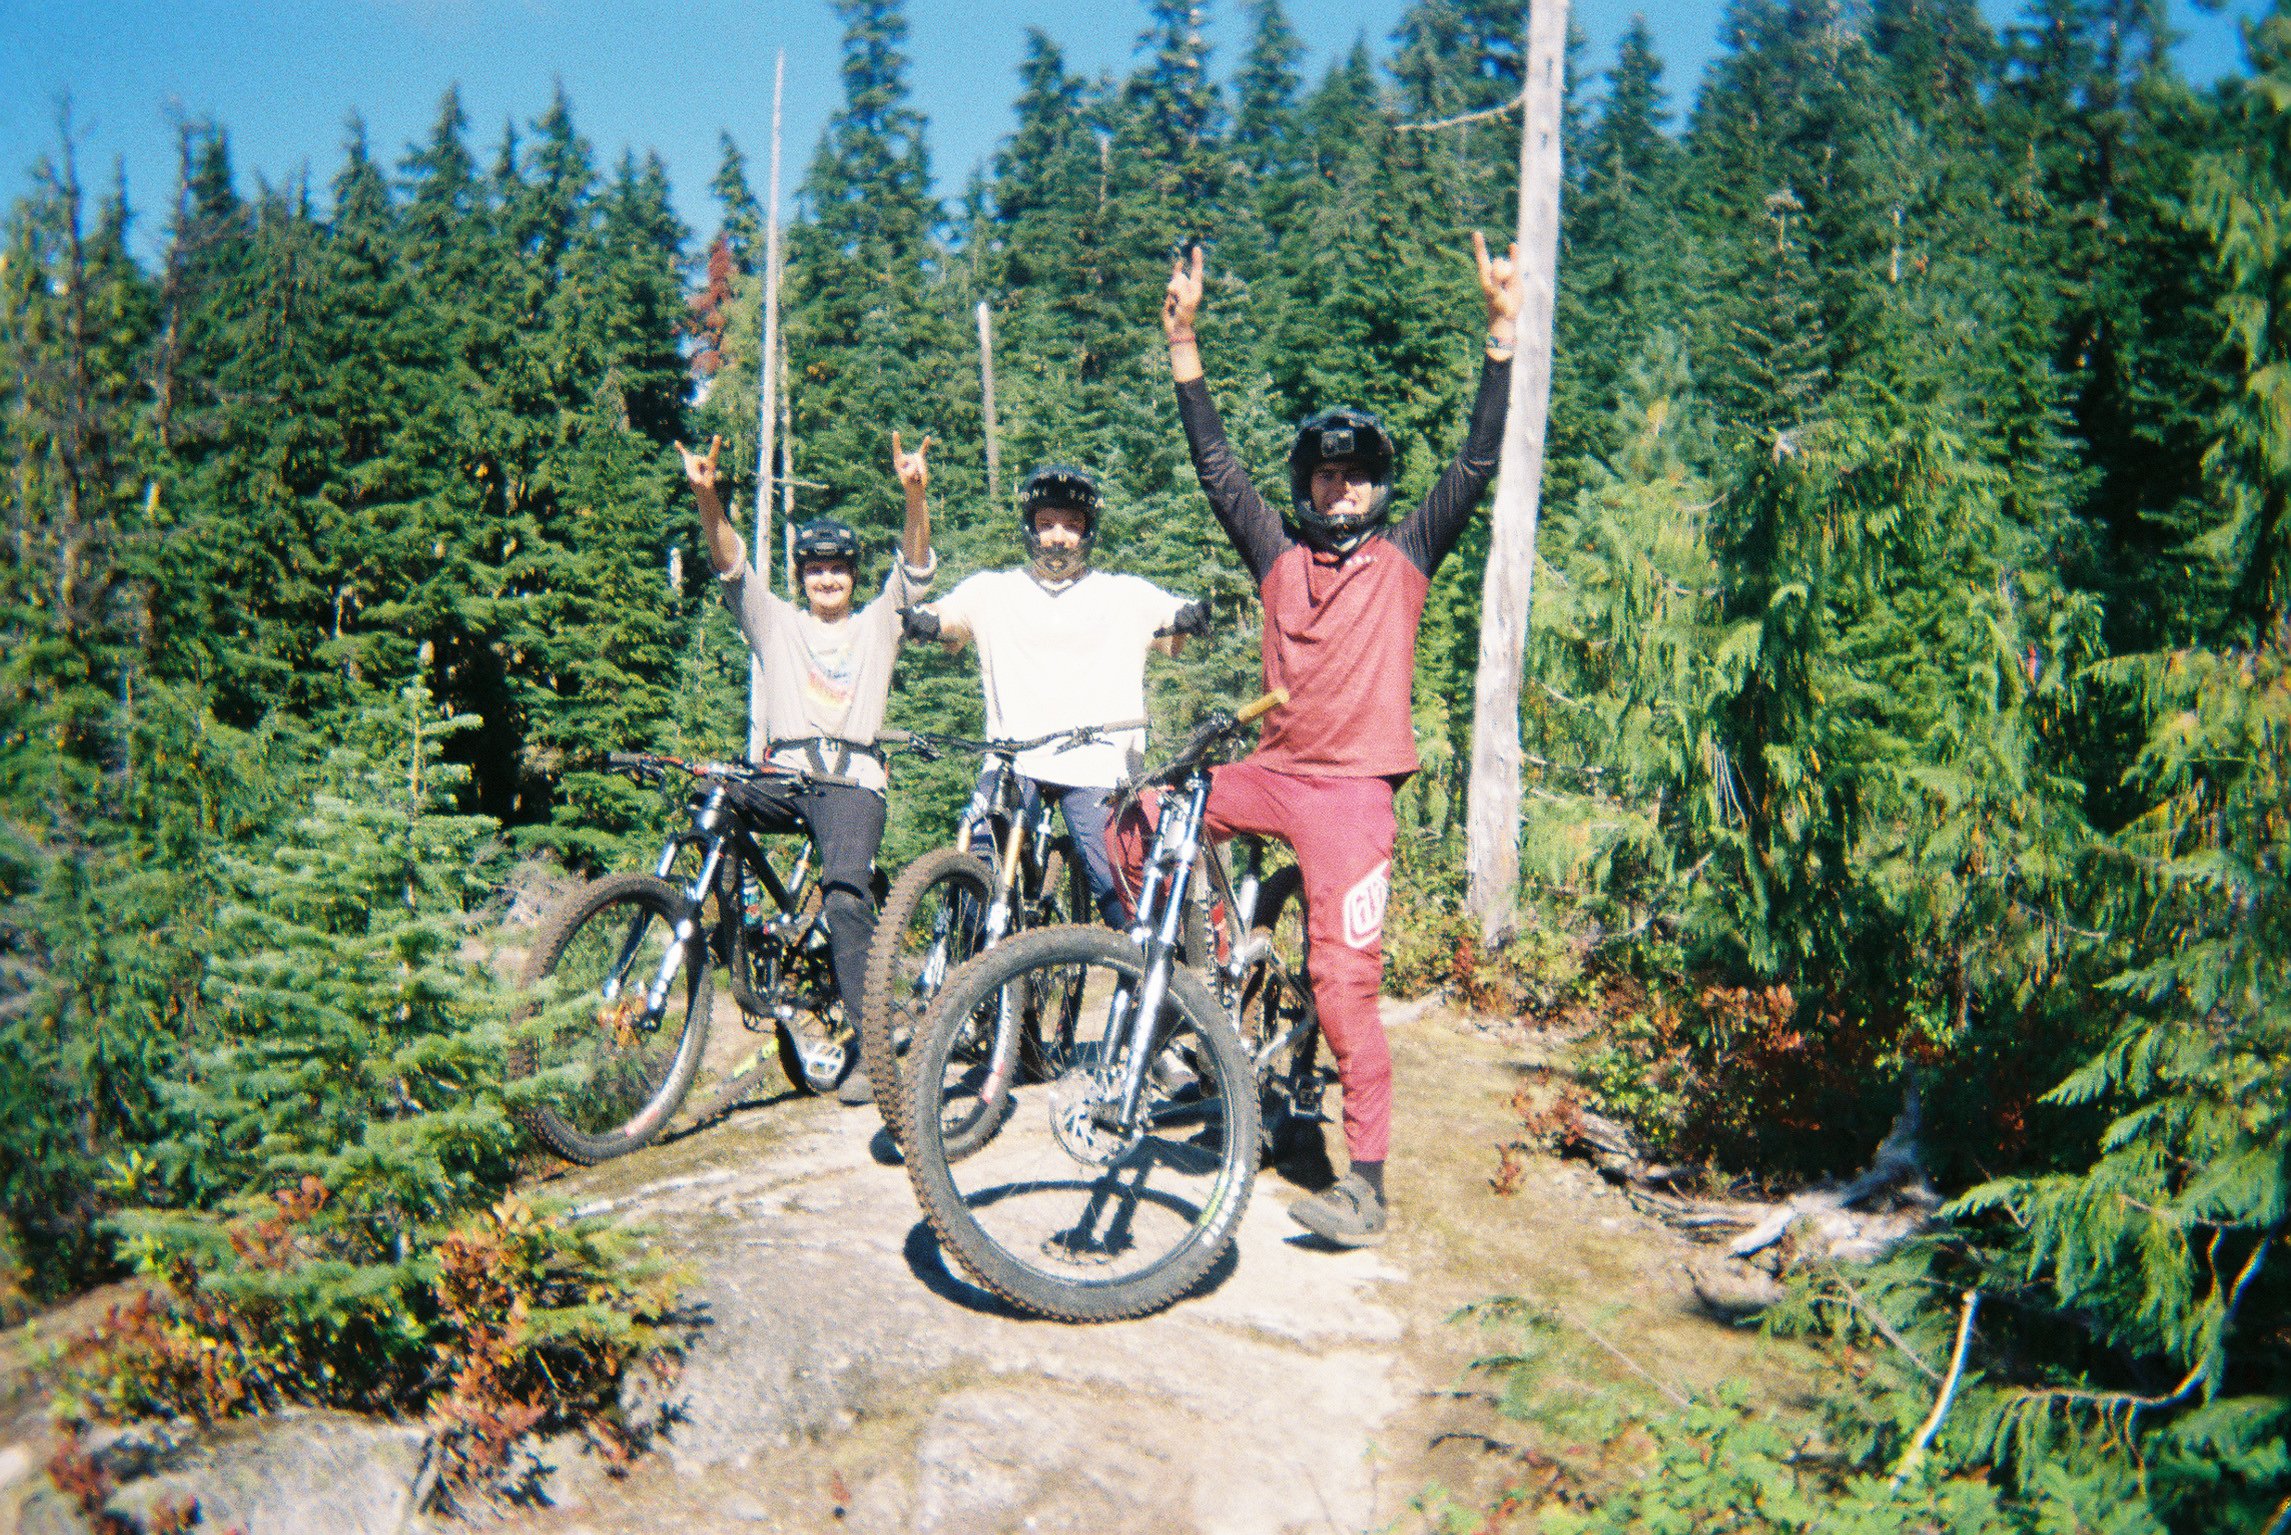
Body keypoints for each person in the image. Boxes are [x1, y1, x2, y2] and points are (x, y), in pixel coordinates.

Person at [1154, 231, 1524, 1246]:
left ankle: (1364, 1180)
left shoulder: (1408, 553)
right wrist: (1183, 346)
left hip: (1352, 796)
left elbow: (1477, 459)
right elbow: (1214, 465)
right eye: (1323, 475)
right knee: (1144, 812)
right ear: (1306, 484)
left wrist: (1499, 335)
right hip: (1271, 773)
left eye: (1356, 474)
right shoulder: (1273, 551)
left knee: (1344, 988)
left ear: (1376, 485)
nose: (1338, 486)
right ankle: (1208, 971)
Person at [675, 430, 938, 1106]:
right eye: (815, 568)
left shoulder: (880, 622)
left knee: (847, 897)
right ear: (801, 576)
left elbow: (912, 573)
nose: (827, 577)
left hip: (852, 783)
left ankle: (870, 1043)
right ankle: (742, 946)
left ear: (852, 576)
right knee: (711, 800)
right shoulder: (776, 622)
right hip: (784, 776)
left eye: (839, 568)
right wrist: (708, 498)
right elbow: (732, 564)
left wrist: (915, 497)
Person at [910, 464, 1204, 927]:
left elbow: (1171, 616)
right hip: (1014, 759)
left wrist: (1190, 616)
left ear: (1088, 531)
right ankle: (972, 985)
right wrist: (925, 622)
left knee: (1117, 884)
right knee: (976, 863)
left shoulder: (1122, 594)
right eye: (1046, 524)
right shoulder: (992, 590)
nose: (1058, 537)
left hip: (1097, 764)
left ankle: (1146, 988)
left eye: (1071, 524)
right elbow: (946, 614)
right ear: (1029, 528)